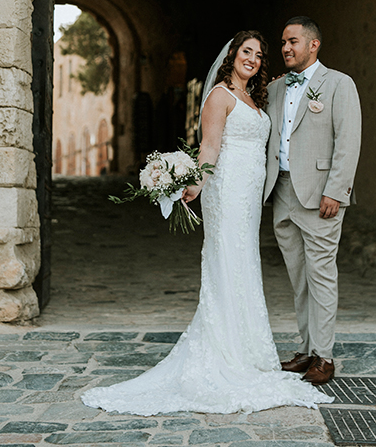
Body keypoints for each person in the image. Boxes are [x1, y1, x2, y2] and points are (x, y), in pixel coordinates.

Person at [81, 31, 332, 415]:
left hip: (249, 195)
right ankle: (224, 352)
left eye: (260, 55)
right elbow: (210, 145)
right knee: (227, 263)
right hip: (227, 189)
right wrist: (196, 181)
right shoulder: (220, 96)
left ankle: (246, 350)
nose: (253, 58)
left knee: (244, 264)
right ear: (232, 55)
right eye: (246, 51)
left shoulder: (255, 97)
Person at [264, 16, 362, 385]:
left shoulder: (338, 84)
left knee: (321, 274)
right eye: (283, 43)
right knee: (298, 277)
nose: (286, 48)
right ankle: (306, 349)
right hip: (282, 192)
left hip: (321, 194)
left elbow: (348, 141)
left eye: (292, 41)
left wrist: (337, 191)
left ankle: (325, 356)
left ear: (313, 44)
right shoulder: (275, 90)